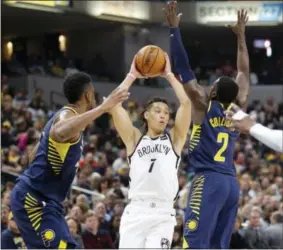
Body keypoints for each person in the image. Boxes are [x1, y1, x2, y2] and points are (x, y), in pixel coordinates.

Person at [164, 1, 250, 248]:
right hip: (231, 184)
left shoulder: (203, 105)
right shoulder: (237, 108)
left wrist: (174, 30)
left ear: (212, 91)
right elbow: (243, 71)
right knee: (217, 245)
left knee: (193, 241)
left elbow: (182, 69)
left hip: (208, 180)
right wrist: (241, 36)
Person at [10, 72, 130, 249]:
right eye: (94, 93)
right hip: (33, 201)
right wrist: (102, 108)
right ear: (88, 95)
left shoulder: (62, 117)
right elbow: (60, 132)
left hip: (47, 201)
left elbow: (33, 156)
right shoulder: (65, 118)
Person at [110, 53, 191, 249]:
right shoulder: (135, 139)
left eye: (166, 112)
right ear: (146, 115)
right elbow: (113, 104)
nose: (163, 115)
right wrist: (131, 75)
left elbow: (187, 103)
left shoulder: (174, 139)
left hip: (163, 214)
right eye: (158, 111)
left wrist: (169, 75)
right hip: (136, 210)